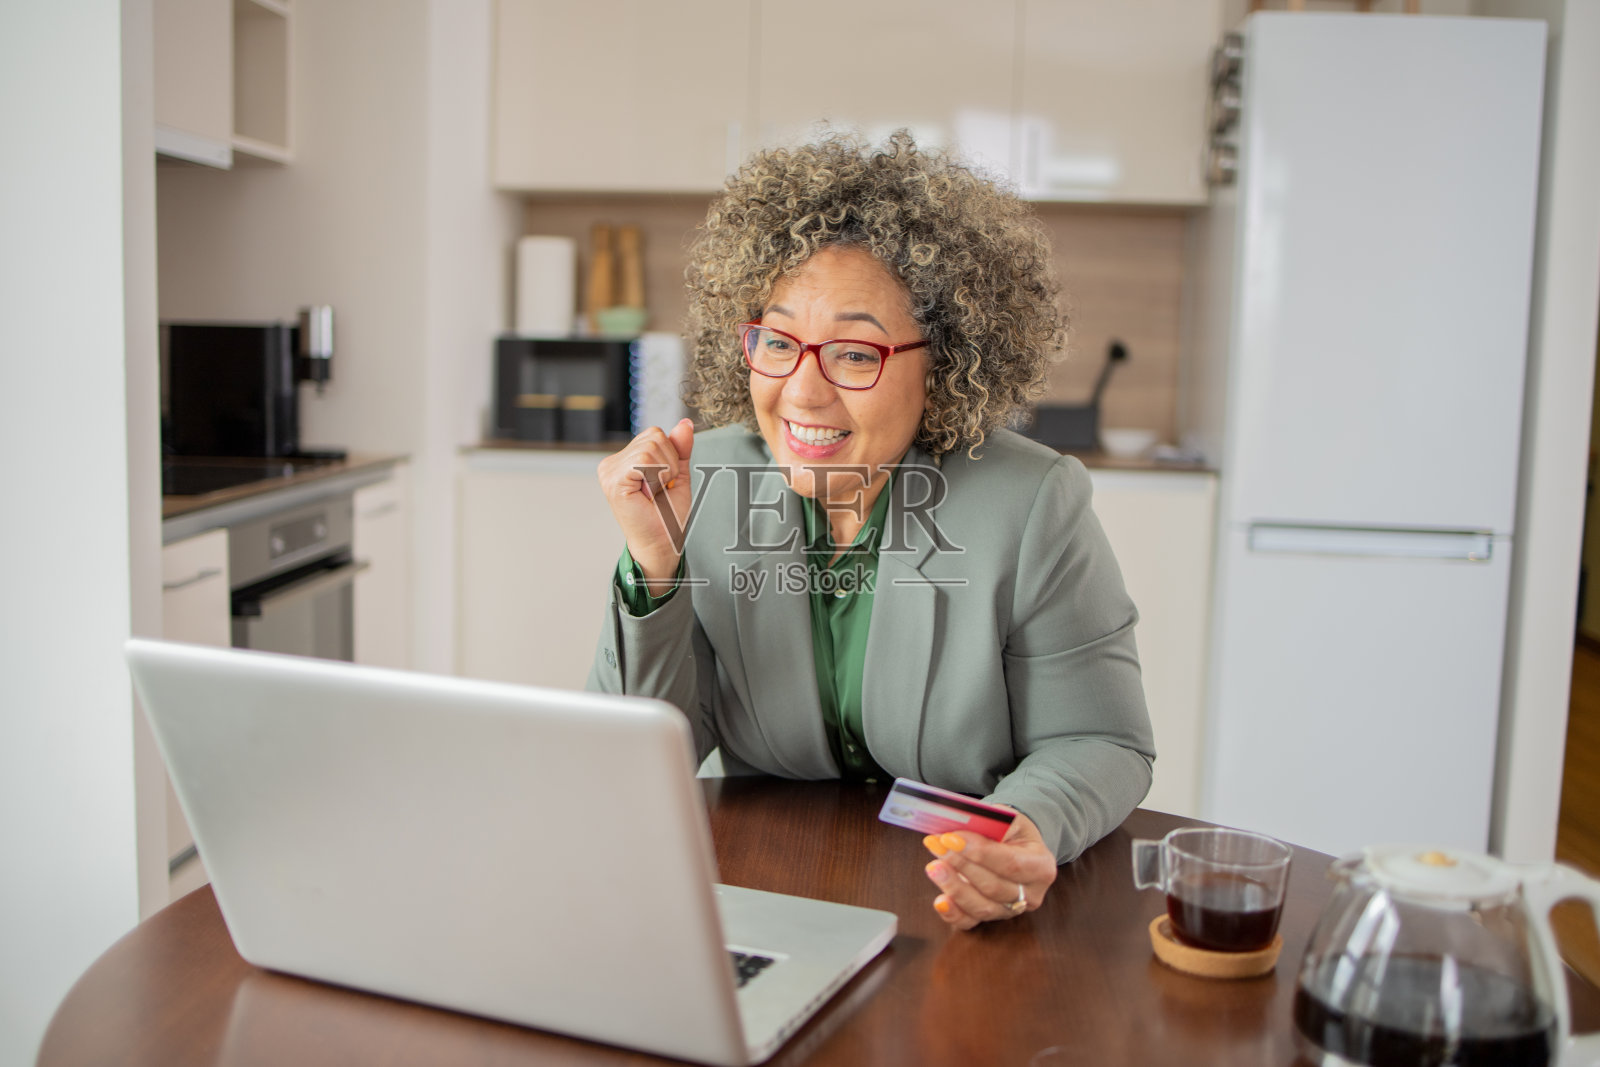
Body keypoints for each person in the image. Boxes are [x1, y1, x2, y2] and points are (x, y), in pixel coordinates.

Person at [588, 132, 1154, 930]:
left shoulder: (1030, 503)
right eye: (779, 342)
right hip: (767, 897)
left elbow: (1100, 736)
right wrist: (654, 566)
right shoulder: (703, 486)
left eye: (854, 354)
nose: (802, 394)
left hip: (950, 903)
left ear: (946, 359)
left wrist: (1024, 831)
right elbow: (631, 767)